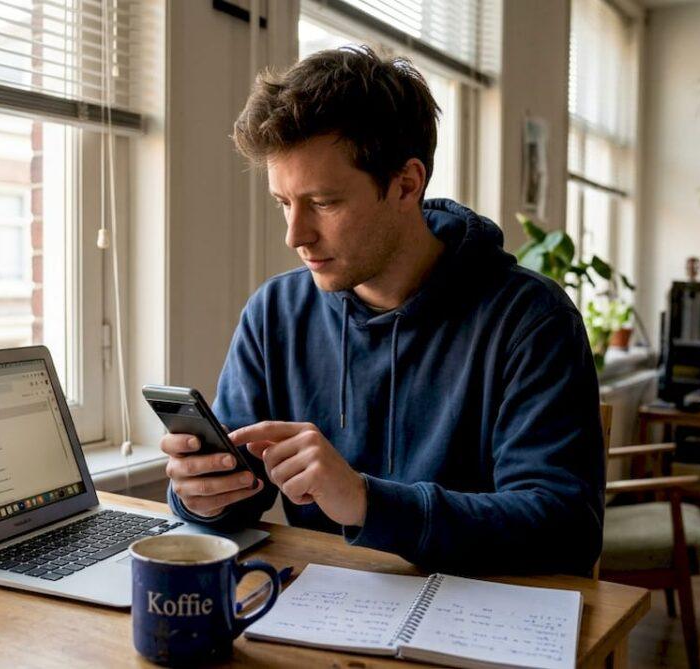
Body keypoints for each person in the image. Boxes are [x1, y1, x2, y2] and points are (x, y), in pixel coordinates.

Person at [163, 46, 605, 575]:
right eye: (284, 202)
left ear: (406, 184)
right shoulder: (275, 313)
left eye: (323, 203)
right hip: (322, 618)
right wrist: (201, 495)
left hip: (477, 623)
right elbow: (238, 499)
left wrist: (368, 503)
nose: (295, 235)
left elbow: (566, 527)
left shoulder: (531, 320)